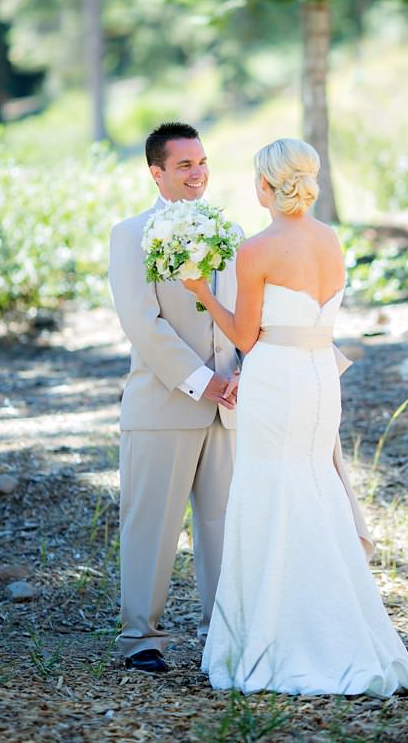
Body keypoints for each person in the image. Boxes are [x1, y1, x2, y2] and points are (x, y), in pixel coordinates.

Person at [183, 138, 408, 696]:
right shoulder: (329, 240)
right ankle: (338, 627)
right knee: (315, 486)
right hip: (319, 378)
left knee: (269, 489)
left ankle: (282, 636)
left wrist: (200, 292)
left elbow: (244, 338)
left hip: (277, 377)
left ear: (266, 185)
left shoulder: (256, 250)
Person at [108, 122, 241, 674]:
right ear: (156, 171)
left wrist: (242, 374)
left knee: (223, 528)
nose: (199, 173)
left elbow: (245, 317)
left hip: (229, 406)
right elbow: (143, 323)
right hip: (162, 404)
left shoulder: (230, 232)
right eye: (185, 164)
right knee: (151, 524)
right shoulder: (130, 234)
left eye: (203, 161)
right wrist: (199, 379)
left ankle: (221, 638)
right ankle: (141, 637)